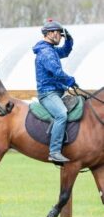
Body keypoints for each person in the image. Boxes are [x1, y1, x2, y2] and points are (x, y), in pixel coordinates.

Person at [32, 19, 78, 163]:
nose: (60, 36)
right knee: (62, 115)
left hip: (58, 91)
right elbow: (57, 72)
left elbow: (65, 51)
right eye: (59, 33)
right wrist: (70, 80)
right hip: (48, 93)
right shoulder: (46, 52)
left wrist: (69, 40)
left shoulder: (51, 50)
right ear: (50, 34)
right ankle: (54, 151)